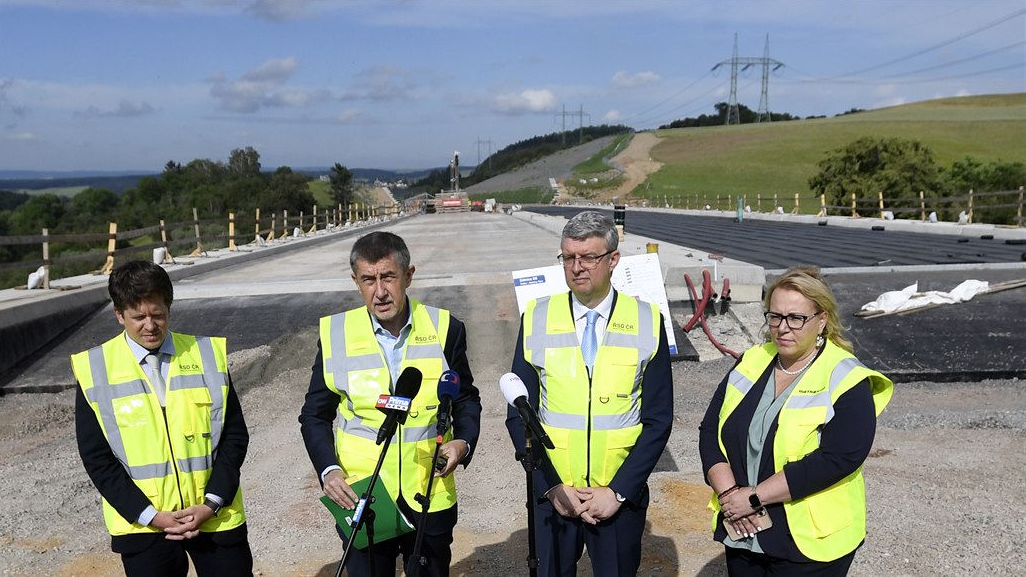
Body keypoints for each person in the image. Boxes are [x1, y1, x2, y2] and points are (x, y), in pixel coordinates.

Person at [299, 231, 481, 577]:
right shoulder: (335, 334)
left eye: (388, 277)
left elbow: (467, 398)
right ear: (356, 281)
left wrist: (463, 443)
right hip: (365, 496)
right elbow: (314, 415)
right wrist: (328, 469)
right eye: (368, 280)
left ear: (408, 276)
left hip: (429, 492)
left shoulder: (446, 329)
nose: (379, 291)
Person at [505, 210, 674, 577]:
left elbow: (658, 419)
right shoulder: (536, 317)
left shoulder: (648, 320)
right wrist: (550, 487)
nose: (577, 267)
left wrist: (616, 492)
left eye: (589, 257)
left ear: (613, 260)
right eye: (569, 257)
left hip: (616, 498)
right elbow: (519, 414)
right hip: (555, 497)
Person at [698, 267, 894, 576]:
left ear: (822, 320)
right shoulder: (752, 361)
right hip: (743, 529)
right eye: (774, 316)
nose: (783, 328)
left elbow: (838, 458)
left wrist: (752, 498)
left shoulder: (846, 377)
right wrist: (728, 496)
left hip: (809, 544)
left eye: (796, 318)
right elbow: (711, 431)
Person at [71, 260, 253, 576]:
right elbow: (98, 459)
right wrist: (150, 516)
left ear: (168, 307)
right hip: (144, 526)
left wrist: (211, 504)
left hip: (214, 515)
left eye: (158, 315)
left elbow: (234, 437)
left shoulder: (205, 355)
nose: (150, 325)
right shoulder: (94, 369)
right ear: (119, 315)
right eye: (138, 317)